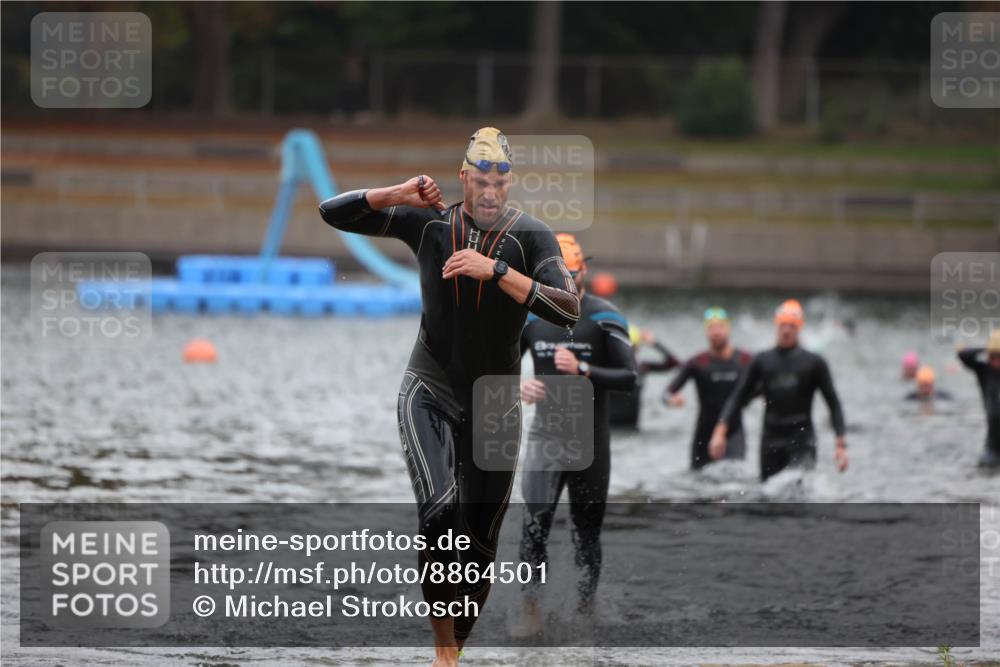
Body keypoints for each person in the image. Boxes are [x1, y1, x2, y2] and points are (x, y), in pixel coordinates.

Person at [319, 127, 580, 666]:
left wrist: (499, 270)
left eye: (499, 184)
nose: (489, 193)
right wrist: (395, 195)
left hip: (496, 401)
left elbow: (568, 308)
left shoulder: (530, 238)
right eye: (480, 181)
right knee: (439, 510)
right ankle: (443, 655)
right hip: (430, 386)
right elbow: (332, 212)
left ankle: (454, 651)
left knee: (480, 542)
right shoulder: (431, 222)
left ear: (509, 185)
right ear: (464, 178)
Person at [518, 233, 637, 628]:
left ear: (583, 271)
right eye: (559, 276)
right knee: (533, 528)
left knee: (586, 535)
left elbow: (629, 377)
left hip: (590, 442)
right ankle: (531, 611)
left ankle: (585, 610)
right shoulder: (531, 317)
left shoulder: (605, 316)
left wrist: (584, 371)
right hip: (544, 440)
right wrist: (516, 387)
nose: (566, 283)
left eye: (572, 274)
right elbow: (494, 365)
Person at [710, 299, 849, 481]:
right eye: (783, 325)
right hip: (771, 439)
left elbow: (834, 403)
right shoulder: (762, 361)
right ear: (776, 325)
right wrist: (719, 432)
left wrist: (840, 444)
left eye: (792, 325)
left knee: (796, 491)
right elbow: (738, 397)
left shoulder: (814, 363)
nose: (787, 330)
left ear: (799, 327)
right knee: (769, 497)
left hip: (802, 438)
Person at [666, 307, 753, 470]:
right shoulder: (697, 362)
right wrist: (671, 400)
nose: (716, 332)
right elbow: (667, 392)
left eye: (720, 327)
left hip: (733, 433)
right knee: (698, 484)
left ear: (728, 329)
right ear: (706, 332)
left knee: (733, 480)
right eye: (712, 328)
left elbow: (764, 384)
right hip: (703, 433)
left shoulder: (745, 360)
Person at [609, 326, 680, 428]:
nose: (628, 352)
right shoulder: (607, 365)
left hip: (632, 427)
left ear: (638, 348)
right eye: (625, 348)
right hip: (610, 427)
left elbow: (673, 363)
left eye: (633, 348)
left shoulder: (642, 368)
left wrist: (655, 343)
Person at [958, 329, 1000, 468]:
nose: (995, 359)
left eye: (998, 355)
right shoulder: (984, 372)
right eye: (993, 355)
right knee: (984, 469)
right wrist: (987, 347)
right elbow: (963, 355)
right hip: (993, 444)